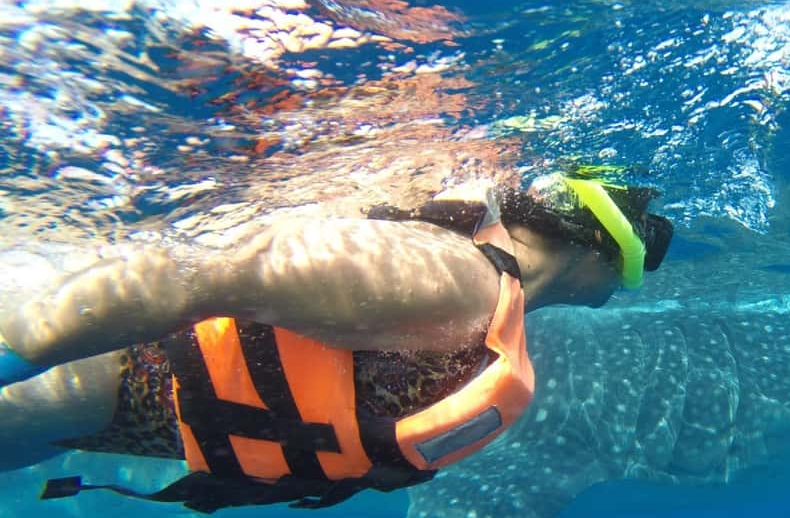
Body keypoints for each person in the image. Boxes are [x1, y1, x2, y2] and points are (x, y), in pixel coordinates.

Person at [0, 174, 673, 512]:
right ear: (602, 246)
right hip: (55, 378)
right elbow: (193, 276)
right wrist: (19, 351)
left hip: (69, 416)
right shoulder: (454, 280)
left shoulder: (481, 296)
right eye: (652, 242)